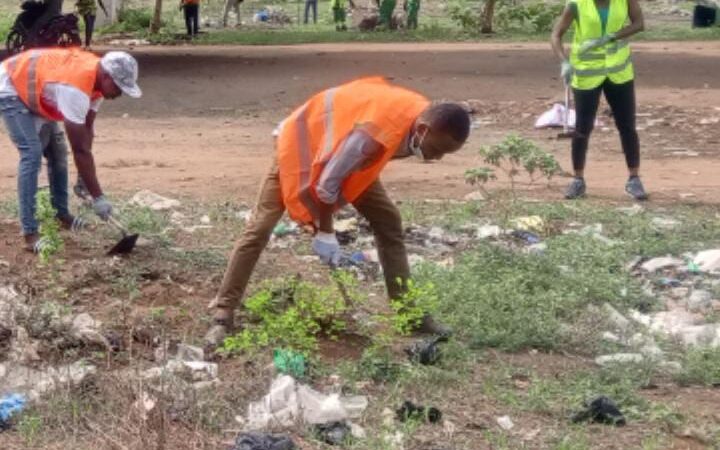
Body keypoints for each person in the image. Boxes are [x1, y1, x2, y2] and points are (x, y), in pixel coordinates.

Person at [204, 77, 471, 347]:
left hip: (343, 157)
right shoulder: (371, 136)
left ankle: (409, 315)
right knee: (261, 226)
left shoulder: (416, 118)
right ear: (424, 129)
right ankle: (223, 313)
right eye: (436, 150)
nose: (437, 158)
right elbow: (326, 185)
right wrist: (326, 231)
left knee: (388, 220)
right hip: (300, 145)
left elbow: (344, 169)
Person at [0, 48, 142, 253]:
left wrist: (84, 179)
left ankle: (61, 214)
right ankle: (30, 233)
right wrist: (98, 197)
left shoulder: (98, 85)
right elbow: (80, 150)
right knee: (31, 154)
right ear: (106, 76)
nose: (119, 94)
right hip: (10, 86)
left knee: (58, 152)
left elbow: (87, 130)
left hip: (37, 90)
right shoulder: (75, 89)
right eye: (119, 87)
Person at [551, 0, 647, 200]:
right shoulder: (576, 4)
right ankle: (578, 180)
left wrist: (611, 37)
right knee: (582, 128)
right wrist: (564, 62)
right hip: (586, 74)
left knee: (627, 126)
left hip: (619, 72)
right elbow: (556, 35)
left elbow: (639, 24)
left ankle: (634, 179)